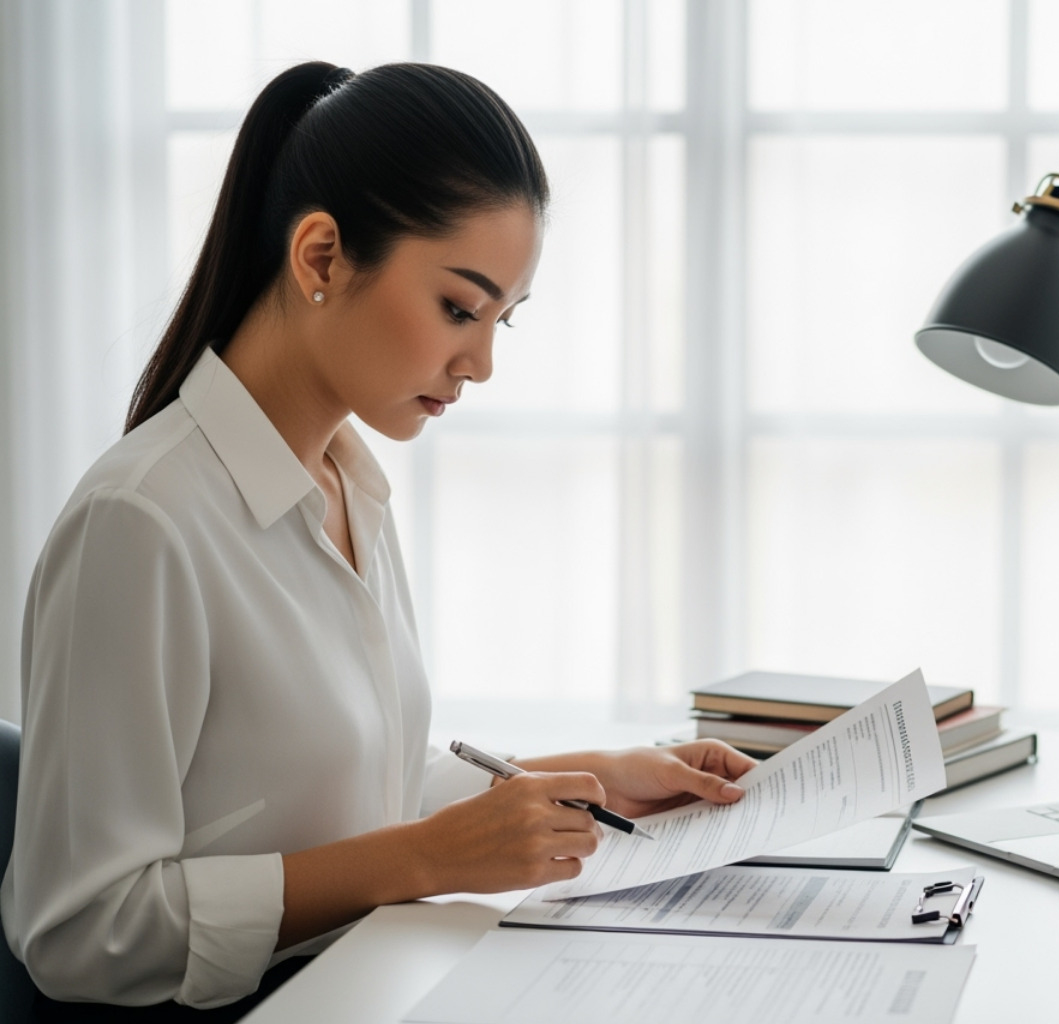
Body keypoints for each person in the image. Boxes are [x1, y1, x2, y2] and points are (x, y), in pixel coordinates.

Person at [1, 61, 754, 1020]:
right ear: (320, 257)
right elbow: (80, 934)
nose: (481, 362)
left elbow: (364, 792)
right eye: (459, 309)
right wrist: (424, 860)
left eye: (502, 320)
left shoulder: (348, 487)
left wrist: (590, 778)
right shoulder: (140, 523)